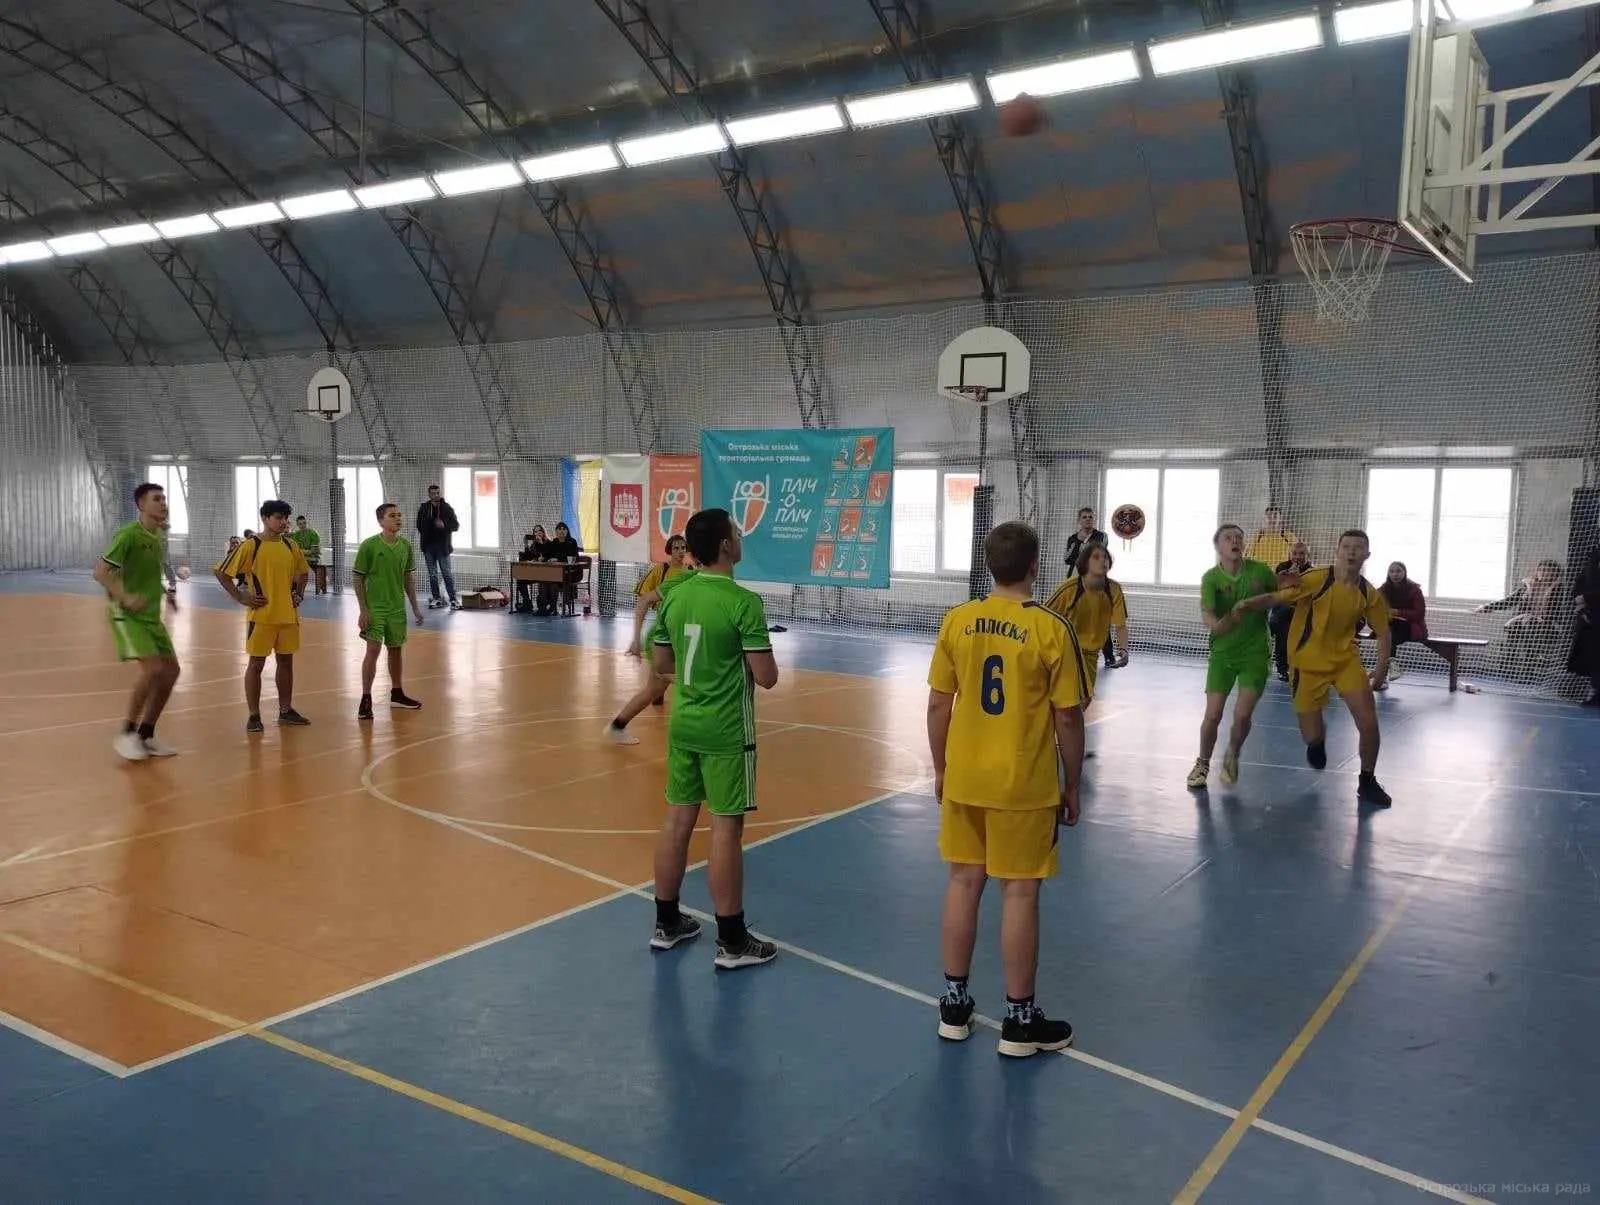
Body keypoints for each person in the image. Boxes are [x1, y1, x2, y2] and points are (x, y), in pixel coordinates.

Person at [928, 520, 1086, 1057]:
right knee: (1019, 892)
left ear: (989, 566)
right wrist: (1073, 784)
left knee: (962, 882)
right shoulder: (1049, 628)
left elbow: (937, 705)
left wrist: (941, 769)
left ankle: (953, 1007)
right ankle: (1019, 1023)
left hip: (965, 778)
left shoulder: (958, 620)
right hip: (1022, 784)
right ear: (1035, 565)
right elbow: (1068, 717)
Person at [647, 508, 778, 970]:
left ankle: (666, 923)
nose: (740, 538)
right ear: (725, 545)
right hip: (726, 731)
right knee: (726, 829)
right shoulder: (743, 602)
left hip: (684, 724)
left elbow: (661, 664)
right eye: (736, 532)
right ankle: (732, 940)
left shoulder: (675, 596)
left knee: (677, 820)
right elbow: (767, 677)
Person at [1237, 529, 1392, 807]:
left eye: (1358, 547)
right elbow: (1276, 597)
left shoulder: (1369, 593)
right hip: (1306, 664)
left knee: (1369, 723)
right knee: (1312, 735)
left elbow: (1384, 632)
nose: (1352, 551)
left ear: (1367, 555)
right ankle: (1317, 740)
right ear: (1337, 551)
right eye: (1346, 546)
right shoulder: (1316, 578)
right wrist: (1246, 604)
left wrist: (1382, 667)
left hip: (1345, 662)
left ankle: (1367, 780)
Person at [94, 482, 182, 761]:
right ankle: (126, 733)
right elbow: (100, 572)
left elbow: (149, 573)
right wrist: (126, 597)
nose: (163, 503)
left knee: (172, 671)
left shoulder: (158, 535)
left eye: (164, 498)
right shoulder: (128, 535)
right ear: (141, 505)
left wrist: (167, 594)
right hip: (127, 614)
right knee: (153, 669)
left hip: (151, 615)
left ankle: (147, 734)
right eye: (156, 499)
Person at [1187, 524, 1279, 790]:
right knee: (1213, 714)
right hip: (1222, 655)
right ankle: (1202, 763)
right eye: (1228, 538)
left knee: (1241, 715)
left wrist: (1284, 588)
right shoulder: (1211, 578)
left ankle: (1232, 754)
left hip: (1255, 654)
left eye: (1239, 537)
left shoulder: (1260, 571)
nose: (1235, 541)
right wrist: (1219, 623)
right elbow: (1208, 614)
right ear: (1218, 546)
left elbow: (1279, 593)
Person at [215, 500, 312, 733]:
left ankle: (286, 711)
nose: (283, 522)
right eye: (278, 517)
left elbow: (303, 572)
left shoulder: (290, 545)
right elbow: (222, 572)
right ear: (265, 519)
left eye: (285, 518)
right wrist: (241, 597)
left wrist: (299, 594)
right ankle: (253, 715)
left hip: (288, 617)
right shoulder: (251, 545)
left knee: (286, 662)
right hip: (261, 617)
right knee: (256, 664)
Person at [604, 535, 693, 746]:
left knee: (655, 689)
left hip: (679, 635)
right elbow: (644, 599)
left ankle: (618, 726)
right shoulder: (666, 572)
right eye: (676, 548)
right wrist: (636, 638)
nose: (680, 551)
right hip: (664, 636)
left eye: (683, 547)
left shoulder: (690, 573)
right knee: (683, 680)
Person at [1043, 543, 1128, 745]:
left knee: (1085, 699)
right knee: (1068, 699)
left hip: (1090, 654)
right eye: (1096, 557)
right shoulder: (1070, 588)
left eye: (1105, 557)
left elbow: (1121, 624)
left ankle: (1056, 732)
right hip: (1066, 651)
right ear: (1085, 562)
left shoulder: (1114, 589)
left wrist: (1123, 649)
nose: (1103, 560)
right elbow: (1044, 616)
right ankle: (1053, 736)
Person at [353, 503, 425, 719]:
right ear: (381, 521)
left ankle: (397, 693)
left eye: (399, 515)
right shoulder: (369, 546)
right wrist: (363, 609)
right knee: (373, 651)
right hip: (376, 607)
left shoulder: (405, 546)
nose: (398, 518)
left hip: (397, 607)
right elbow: (358, 577)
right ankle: (366, 698)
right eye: (392, 515)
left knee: (395, 649)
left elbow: (407, 578)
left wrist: (415, 607)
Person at [1061, 507, 1114, 669]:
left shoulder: (1101, 536)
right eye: (1084, 517)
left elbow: (1097, 554)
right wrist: (1080, 548)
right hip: (1075, 583)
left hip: (1095, 583)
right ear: (1079, 520)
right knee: (1072, 616)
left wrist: (1084, 553)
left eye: (1090, 517)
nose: (1088, 519)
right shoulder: (1072, 539)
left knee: (1099, 618)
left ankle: (1109, 656)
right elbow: (1067, 559)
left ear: (1094, 520)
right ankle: (1071, 651)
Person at [1376, 562, 1428, 690]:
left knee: (1389, 636)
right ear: (1388, 574)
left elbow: (1419, 614)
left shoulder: (1414, 590)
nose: (1395, 574)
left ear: (1404, 572)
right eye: (1392, 571)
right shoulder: (1383, 590)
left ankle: (1385, 674)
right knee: (1388, 633)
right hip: (1390, 626)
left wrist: (1397, 612)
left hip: (1410, 627)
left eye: (1398, 571)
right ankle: (1392, 666)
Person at [1269, 540, 1313, 681]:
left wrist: (1298, 578)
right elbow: (1276, 588)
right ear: (1289, 554)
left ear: (1308, 556)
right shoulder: (1282, 567)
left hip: (1300, 610)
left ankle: (1269, 630)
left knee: (1288, 630)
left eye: (1301, 554)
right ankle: (1282, 669)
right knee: (1283, 632)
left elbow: (1308, 592)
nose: (1297, 557)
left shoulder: (1312, 571)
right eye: (1294, 553)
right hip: (1281, 608)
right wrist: (1287, 577)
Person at [416, 484, 461, 610]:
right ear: (429, 494)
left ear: (440, 493)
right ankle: (436, 598)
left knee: (447, 574)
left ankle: (453, 599)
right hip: (428, 547)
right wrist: (428, 526)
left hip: (443, 548)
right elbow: (419, 525)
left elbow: (455, 526)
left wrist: (444, 525)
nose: (435, 495)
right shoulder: (424, 508)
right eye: (432, 493)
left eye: (437, 493)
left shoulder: (447, 508)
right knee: (433, 575)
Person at [1568, 546, 1600, 707]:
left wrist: (1586, 598)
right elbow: (1578, 588)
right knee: (1594, 658)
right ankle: (1595, 693)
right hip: (1590, 618)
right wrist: (1582, 607)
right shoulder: (1589, 568)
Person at [1247, 504, 1298, 569]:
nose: (1272, 519)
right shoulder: (1256, 537)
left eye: (1275, 515)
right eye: (1268, 516)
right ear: (1264, 519)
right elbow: (1248, 558)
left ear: (1280, 518)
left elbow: (1296, 559)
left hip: (1281, 573)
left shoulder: (1289, 537)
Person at [293, 515, 326, 595]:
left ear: (306, 523)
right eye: (300, 524)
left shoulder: (313, 533)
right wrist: (304, 552)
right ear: (297, 525)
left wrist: (301, 551)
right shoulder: (296, 534)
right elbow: (295, 550)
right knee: (295, 567)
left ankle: (322, 586)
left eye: (304, 523)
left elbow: (313, 551)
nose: (302, 525)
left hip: (314, 558)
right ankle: (296, 590)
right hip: (302, 558)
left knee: (305, 568)